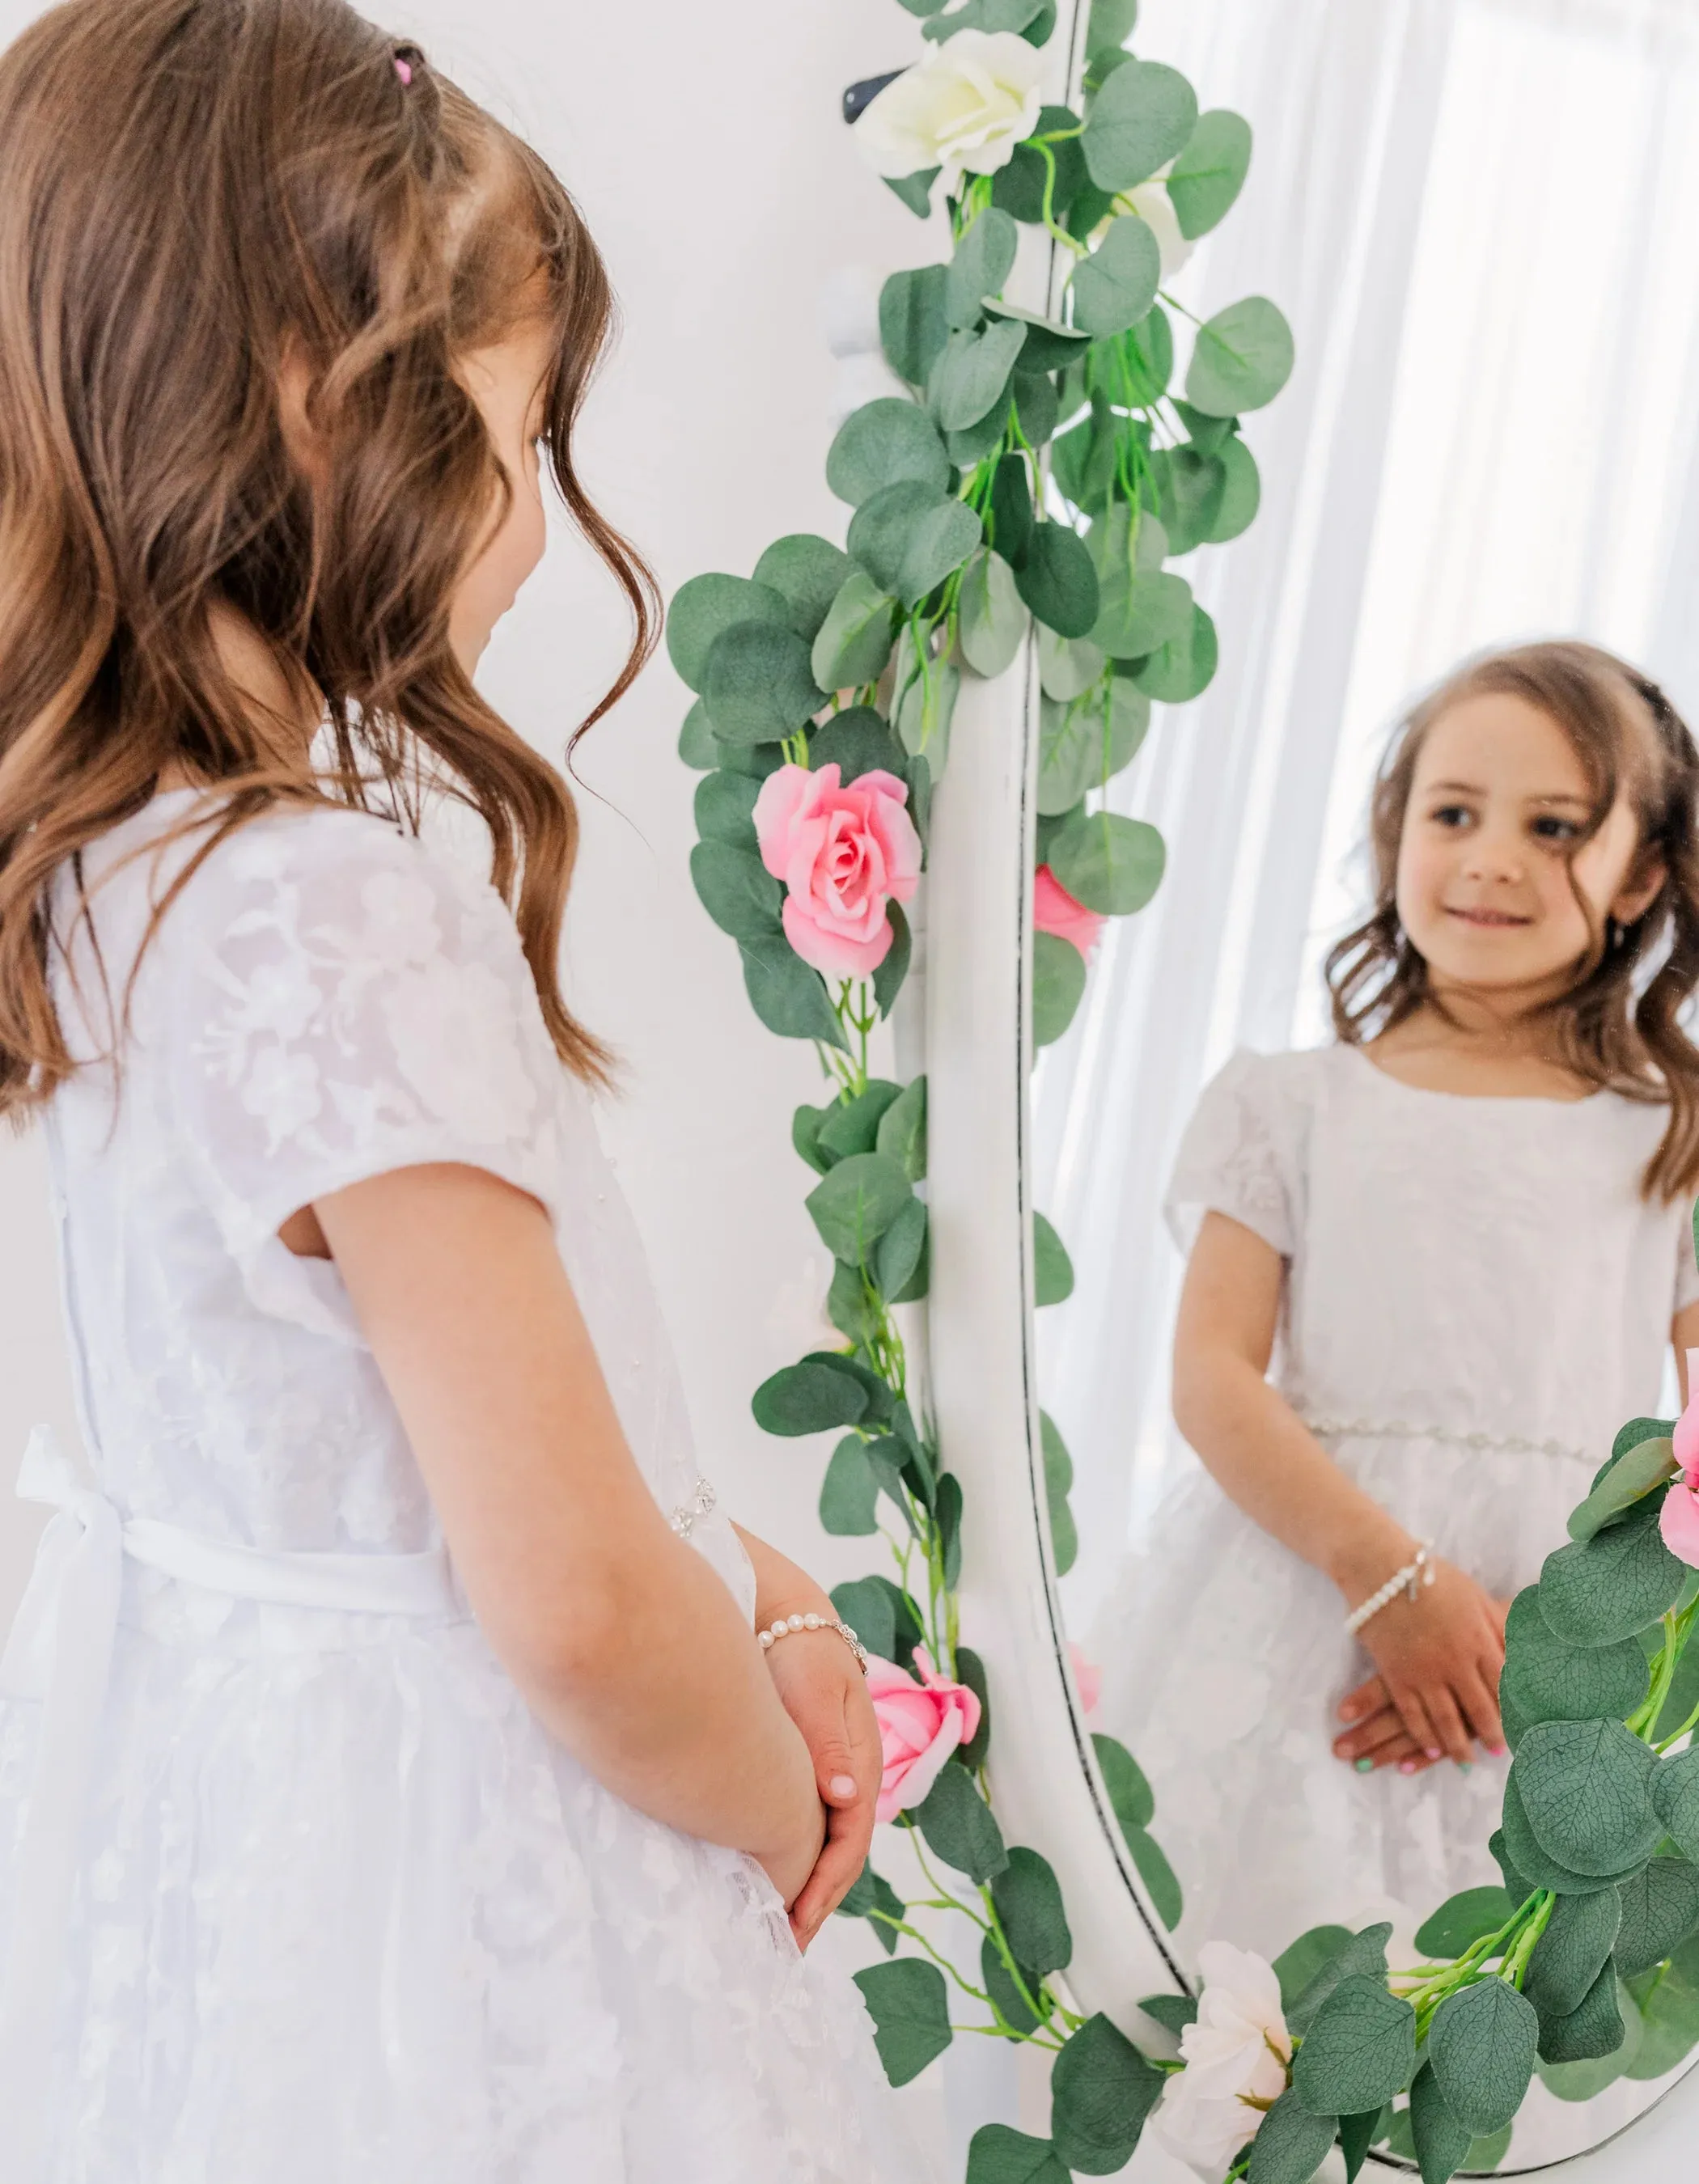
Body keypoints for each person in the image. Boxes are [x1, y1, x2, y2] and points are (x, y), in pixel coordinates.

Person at [0, 2, 926, 2176]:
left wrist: (771, 1591)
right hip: (472, 1901)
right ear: (324, 405)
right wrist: (778, 1790)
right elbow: (582, 1606)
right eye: (525, 433)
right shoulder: (330, 908)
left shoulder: (97, 882)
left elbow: (386, 1455)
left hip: (242, 1882)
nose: (536, 526)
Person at [1089, 640, 1699, 1970]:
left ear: (1642, 875)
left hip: (1555, 1655)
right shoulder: (1290, 1105)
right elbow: (1211, 1378)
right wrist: (1391, 1577)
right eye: (1453, 813)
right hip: (1306, 1598)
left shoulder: (1675, 1136)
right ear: (1394, 828)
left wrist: (1562, 1654)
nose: (1488, 859)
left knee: (1493, 2014)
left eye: (1554, 828)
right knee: (1254, 1988)